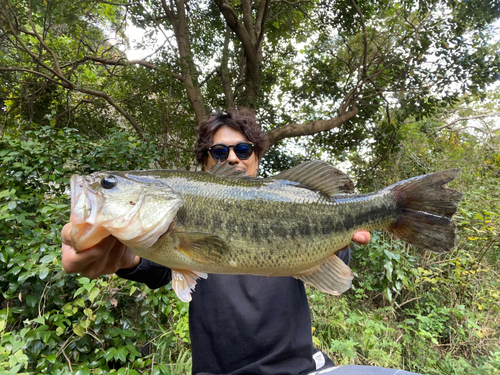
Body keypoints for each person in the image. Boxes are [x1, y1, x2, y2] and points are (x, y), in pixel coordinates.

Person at [61, 109, 372, 374]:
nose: (233, 158)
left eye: (243, 149)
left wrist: (342, 241)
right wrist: (117, 256)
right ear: (206, 163)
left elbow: (333, 262)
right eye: (220, 152)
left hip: (297, 369)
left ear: (257, 158)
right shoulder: (168, 226)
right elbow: (147, 263)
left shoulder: (293, 199)